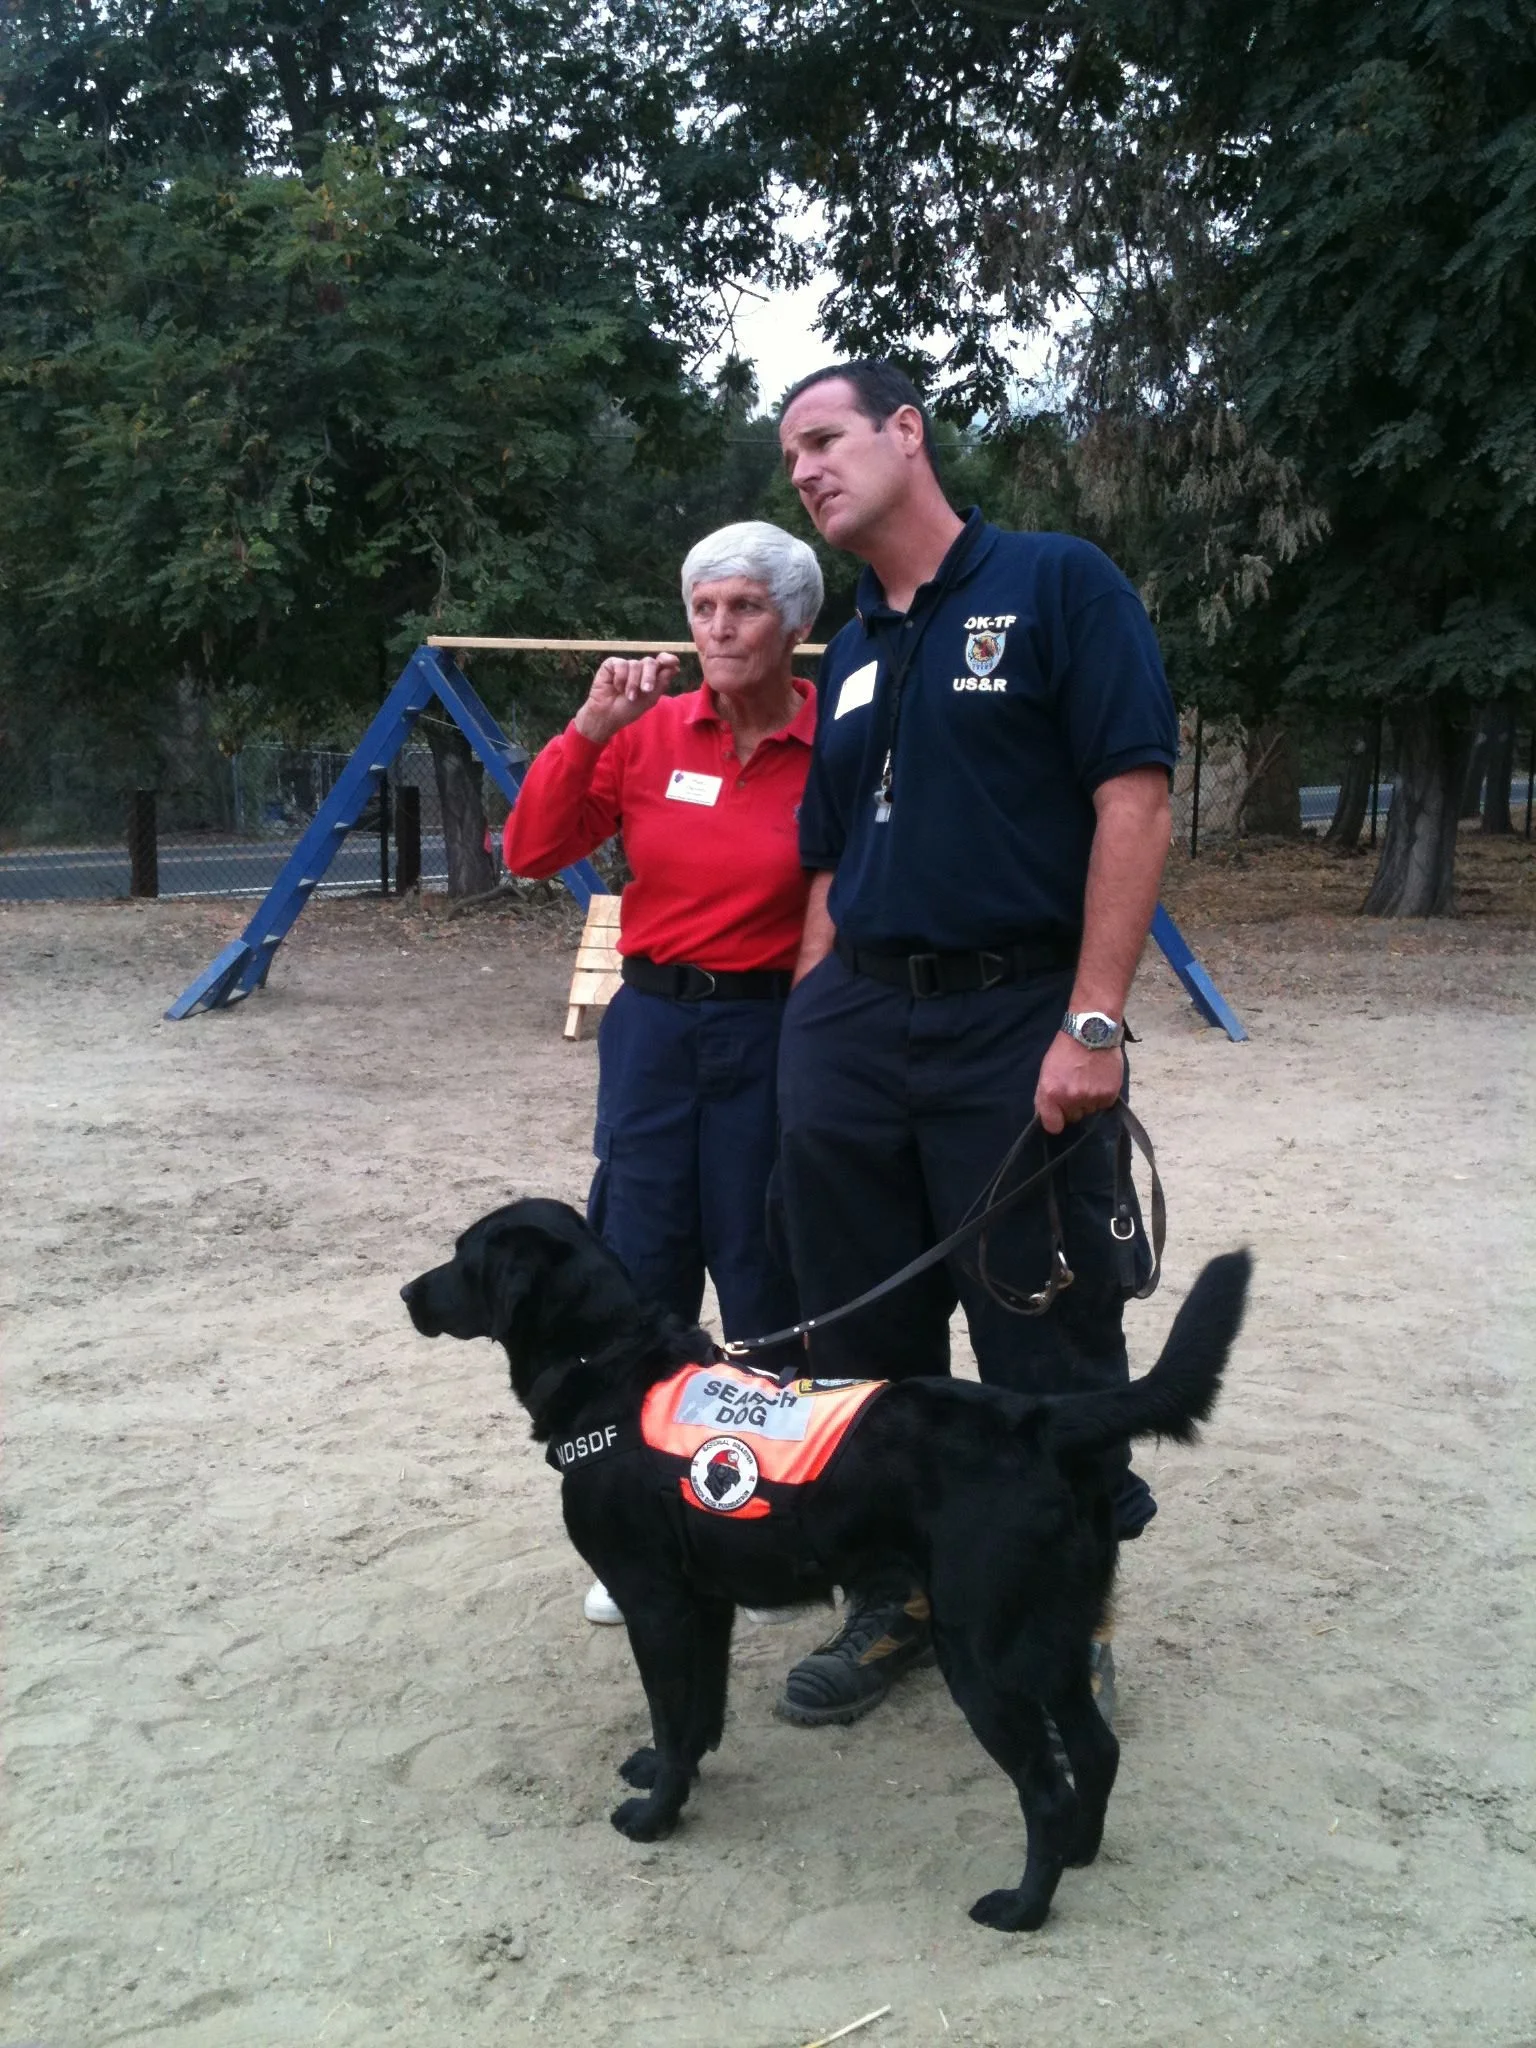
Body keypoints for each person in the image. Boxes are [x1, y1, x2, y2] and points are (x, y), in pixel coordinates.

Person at [771, 360, 1178, 1727]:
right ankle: (898, 1600)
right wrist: (812, 1028)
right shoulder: (855, 657)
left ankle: (1067, 1624)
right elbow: (828, 859)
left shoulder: (1059, 585)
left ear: (906, 431)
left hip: (1016, 1018)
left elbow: (1132, 800)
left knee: (1043, 1332)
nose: (808, 471)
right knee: (858, 1343)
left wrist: (1095, 1018)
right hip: (855, 1026)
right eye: (791, 458)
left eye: (825, 440)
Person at [502, 521, 823, 1625]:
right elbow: (531, 848)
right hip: (653, 1032)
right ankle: (643, 1518)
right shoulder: (646, 736)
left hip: (772, 1028)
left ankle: (774, 1511)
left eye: (744, 608)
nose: (720, 627)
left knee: (767, 1263)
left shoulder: (832, 743)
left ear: (796, 625)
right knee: (638, 1268)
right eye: (703, 608)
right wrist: (593, 723)